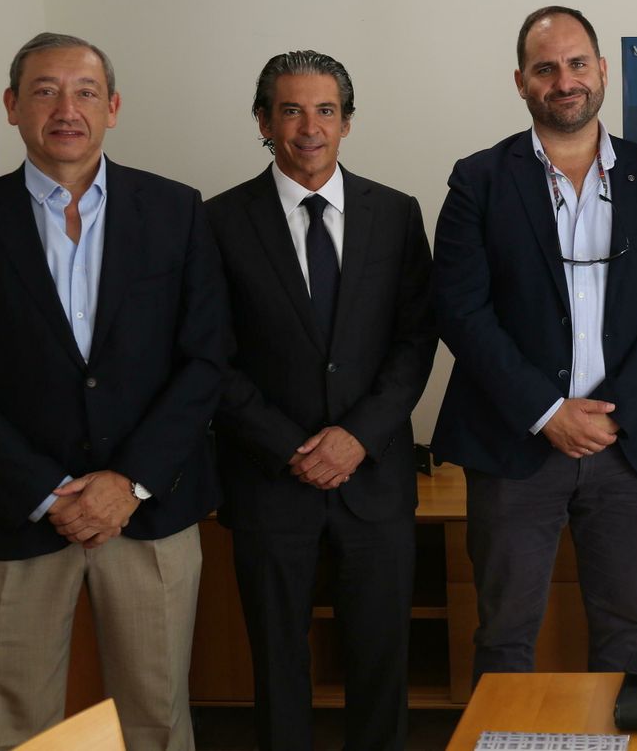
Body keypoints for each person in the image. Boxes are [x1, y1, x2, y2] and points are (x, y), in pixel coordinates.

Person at [0, 32, 228, 751]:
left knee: (158, 718)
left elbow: (206, 361)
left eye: (85, 91)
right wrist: (48, 490)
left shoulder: (177, 211)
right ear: (12, 105)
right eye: (45, 90)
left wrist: (128, 481)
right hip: (11, 517)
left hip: (147, 511)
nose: (66, 108)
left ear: (112, 107)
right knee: (8, 732)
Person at [432, 5, 637, 676]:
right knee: (504, 633)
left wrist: (614, 411)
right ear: (521, 82)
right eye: (545, 67)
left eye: (578, 63)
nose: (565, 79)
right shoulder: (479, 181)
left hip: (628, 445)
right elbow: (459, 309)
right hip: (514, 443)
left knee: (627, 631)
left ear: (602, 70)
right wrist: (548, 412)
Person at [206, 51, 436, 751]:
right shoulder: (216, 222)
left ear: (347, 121)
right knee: (278, 664)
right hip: (269, 480)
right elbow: (210, 357)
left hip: (374, 479)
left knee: (380, 659)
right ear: (262, 121)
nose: (310, 126)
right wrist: (290, 447)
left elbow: (416, 339)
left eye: (326, 110)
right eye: (291, 109)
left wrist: (356, 437)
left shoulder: (396, 214)